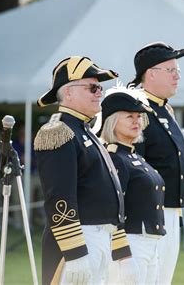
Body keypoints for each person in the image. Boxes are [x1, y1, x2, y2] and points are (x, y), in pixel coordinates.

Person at [34, 56, 135, 285]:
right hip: (79, 239)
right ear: (68, 92)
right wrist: (74, 251)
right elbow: (59, 196)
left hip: (99, 238)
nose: (100, 92)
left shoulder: (84, 130)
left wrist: (119, 248)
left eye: (100, 87)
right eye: (93, 87)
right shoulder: (58, 130)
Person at [129, 41, 184, 284]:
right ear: (151, 74)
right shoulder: (136, 110)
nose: (177, 76)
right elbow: (131, 166)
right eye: (171, 70)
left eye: (178, 70)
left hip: (169, 210)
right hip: (147, 215)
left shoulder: (164, 109)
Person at [100, 85, 166, 284]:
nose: (136, 121)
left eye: (138, 116)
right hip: (131, 243)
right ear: (112, 121)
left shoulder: (133, 155)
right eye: (129, 116)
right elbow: (112, 209)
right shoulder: (115, 158)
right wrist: (122, 252)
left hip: (150, 241)